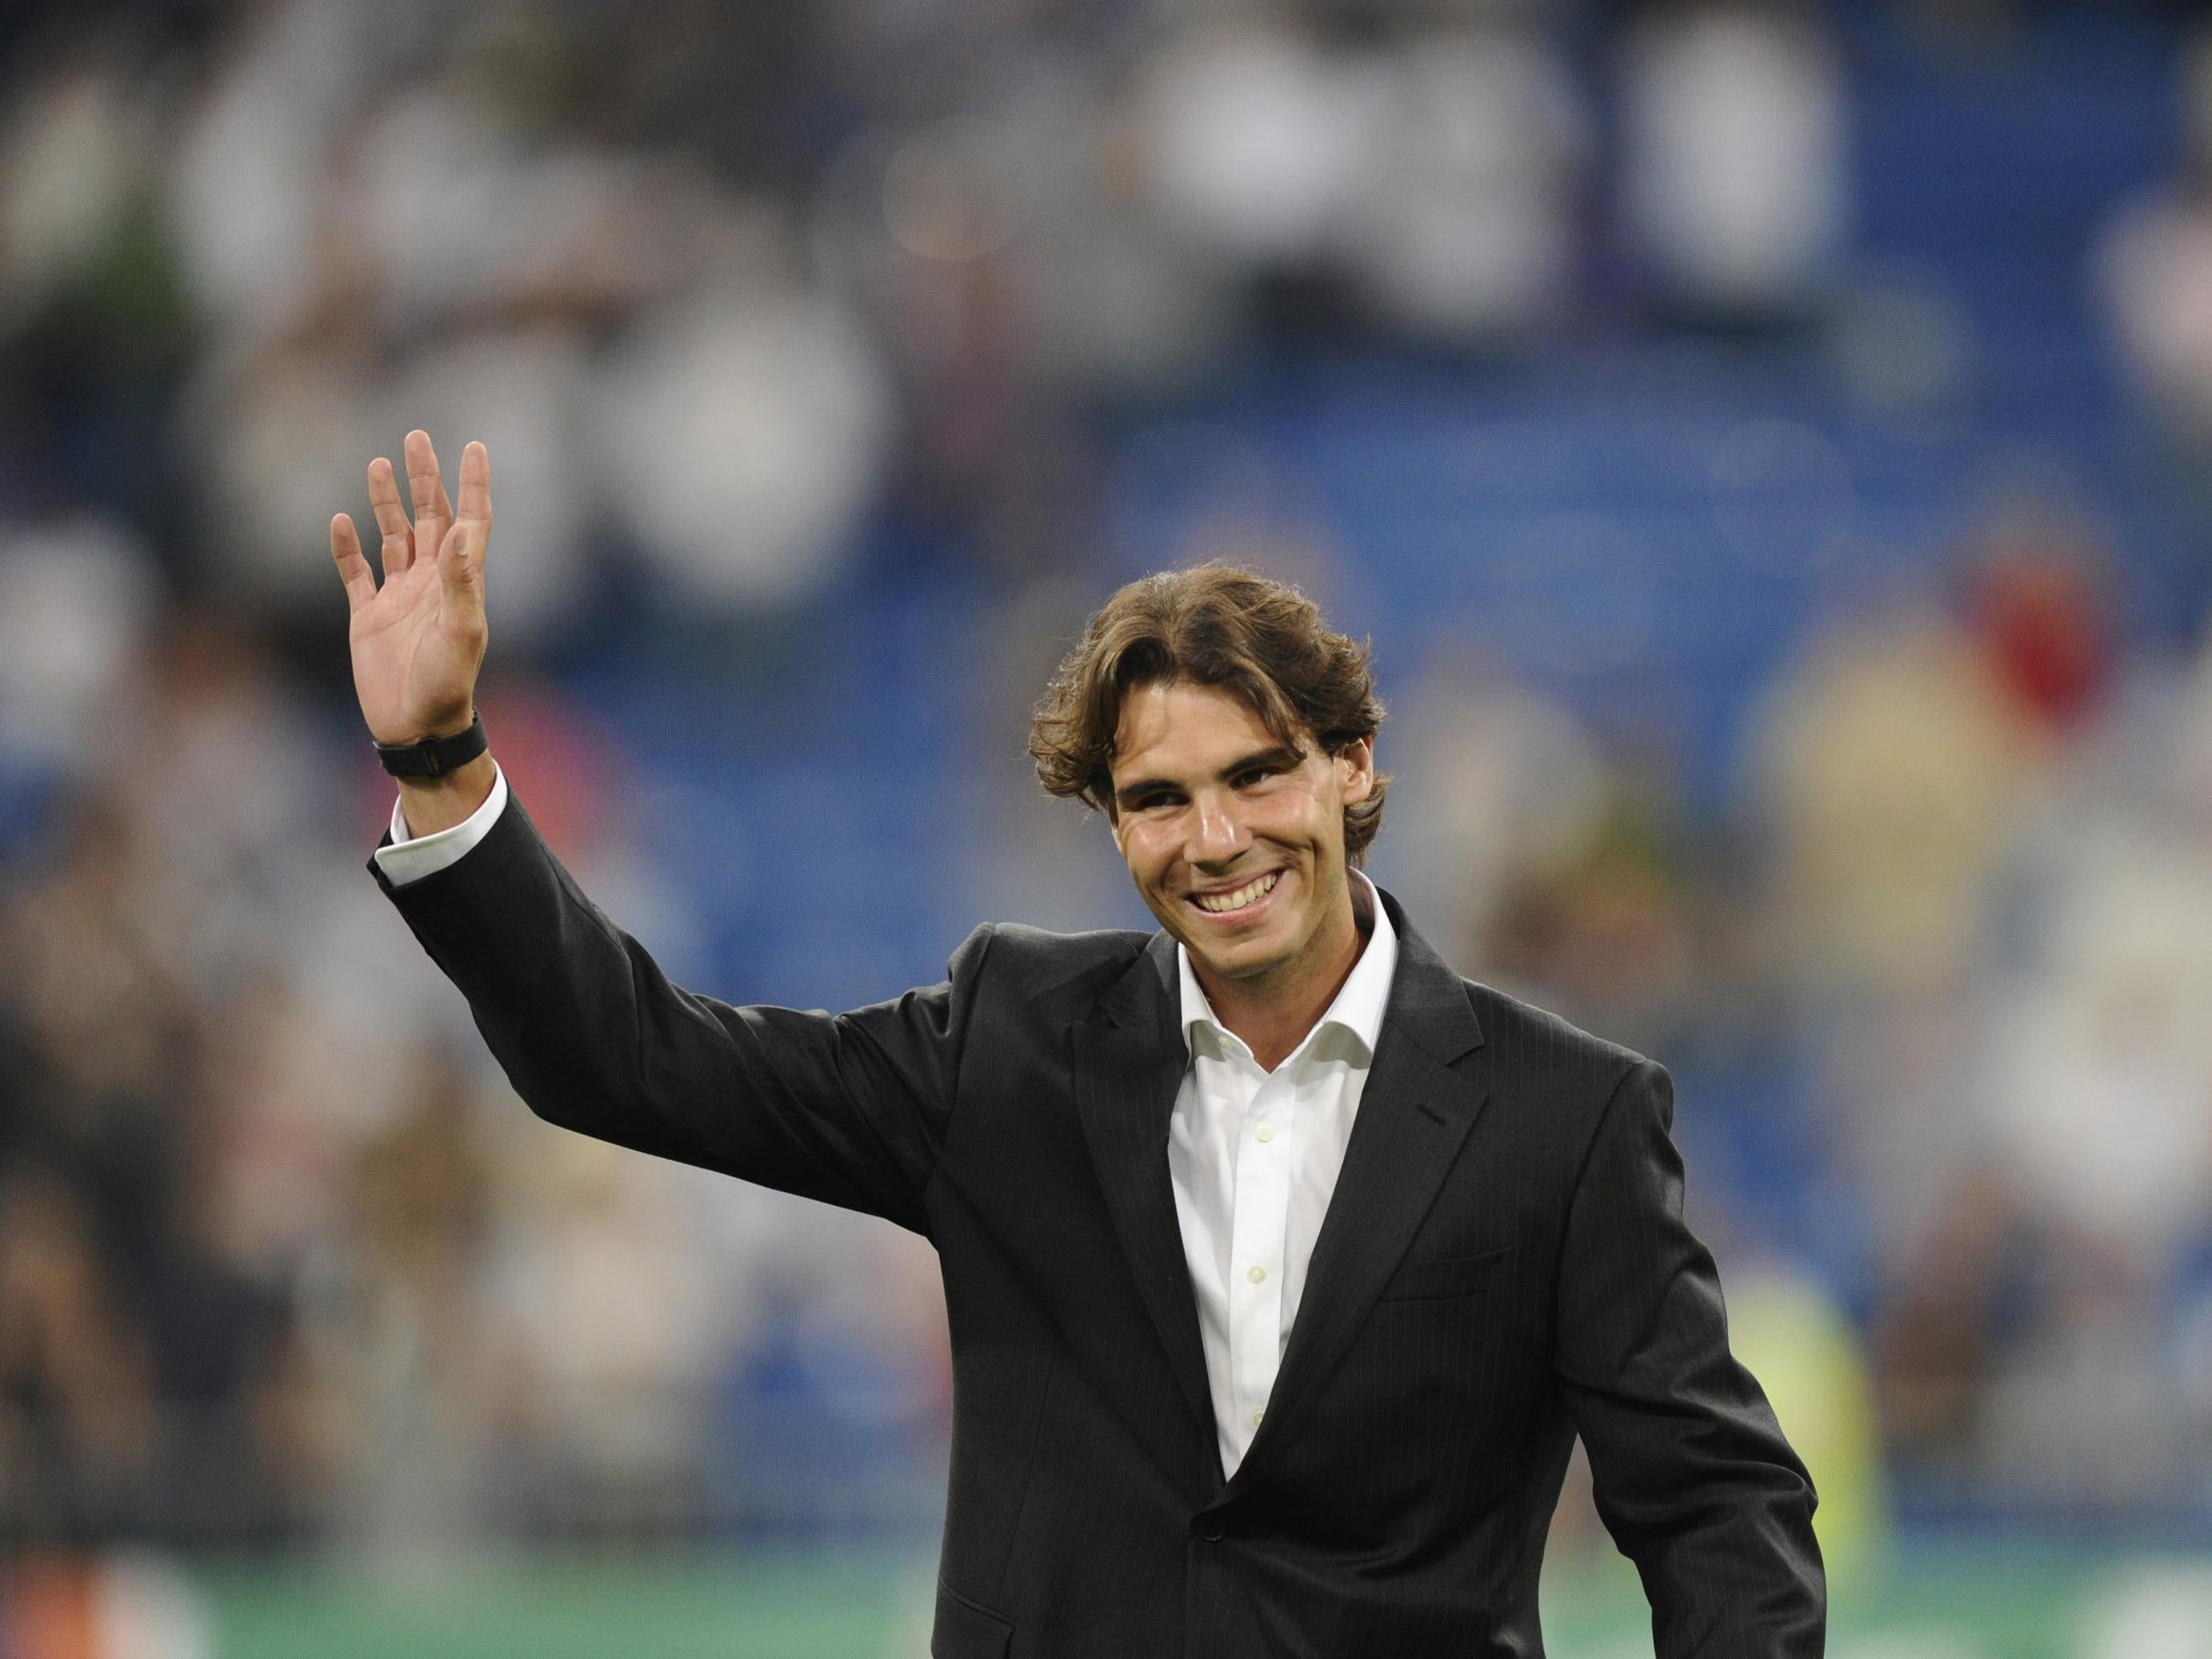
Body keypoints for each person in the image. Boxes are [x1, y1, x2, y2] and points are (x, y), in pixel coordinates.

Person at [331, 432, 1824, 1656]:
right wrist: (441, 762)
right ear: (1109, 821)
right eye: (1161, 799)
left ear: (1352, 764)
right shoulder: (1009, 1044)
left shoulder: (1565, 1114)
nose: (1217, 837)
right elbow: (630, 1058)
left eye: (1256, 775)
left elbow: (1719, 1519)